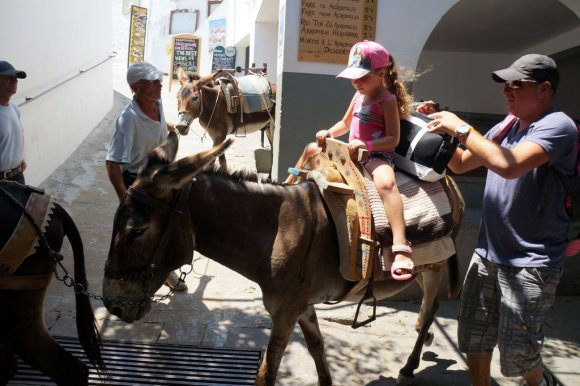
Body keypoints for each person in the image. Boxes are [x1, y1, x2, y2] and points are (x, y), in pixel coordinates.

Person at [426, 54, 578, 386]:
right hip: (487, 253)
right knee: (473, 335)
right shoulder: (505, 125)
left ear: (544, 88)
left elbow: (509, 165)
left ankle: (537, 381)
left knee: (518, 351)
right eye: (505, 84)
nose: (506, 91)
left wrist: (462, 127)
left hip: (530, 260)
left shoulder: (558, 125)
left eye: (516, 85)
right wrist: (438, 129)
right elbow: (462, 164)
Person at [286, 40, 415, 280]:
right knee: (311, 148)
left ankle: (400, 246)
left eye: (362, 77)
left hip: (375, 155)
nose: (356, 82)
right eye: (353, 78)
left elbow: (393, 139)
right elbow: (345, 123)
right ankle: (287, 186)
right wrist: (329, 132)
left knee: (386, 183)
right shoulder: (358, 95)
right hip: (349, 153)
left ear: (380, 73)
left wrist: (367, 145)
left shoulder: (386, 100)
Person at [106, 61, 187, 292]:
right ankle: (128, 277)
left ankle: (166, 270)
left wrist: (169, 128)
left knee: (170, 226)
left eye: (158, 80)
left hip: (160, 176)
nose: (160, 84)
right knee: (141, 236)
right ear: (136, 87)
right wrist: (125, 200)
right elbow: (112, 163)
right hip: (138, 182)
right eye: (153, 82)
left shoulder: (157, 102)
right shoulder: (128, 119)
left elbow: (157, 126)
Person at [0, 60, 27, 184]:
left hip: (18, 177)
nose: (15, 80)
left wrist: (21, 159)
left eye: (15, 77)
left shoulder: (14, 108)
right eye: (9, 77)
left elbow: (18, 136)